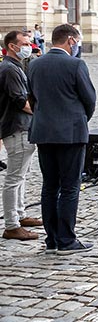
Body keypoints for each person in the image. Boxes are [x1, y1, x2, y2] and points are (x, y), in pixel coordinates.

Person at [27, 23, 96, 255]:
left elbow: (33, 98)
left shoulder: (35, 64)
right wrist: (79, 119)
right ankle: (67, 240)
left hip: (44, 132)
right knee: (70, 187)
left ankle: (52, 239)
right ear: (71, 40)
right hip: (71, 133)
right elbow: (89, 99)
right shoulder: (76, 64)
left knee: (49, 186)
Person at [1, 30, 41, 240]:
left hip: (22, 126)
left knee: (21, 175)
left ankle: (20, 213)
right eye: (25, 43)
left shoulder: (15, 66)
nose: (29, 47)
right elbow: (19, 100)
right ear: (12, 46)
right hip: (17, 127)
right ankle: (11, 224)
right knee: (14, 178)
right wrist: (40, 114)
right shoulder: (9, 69)